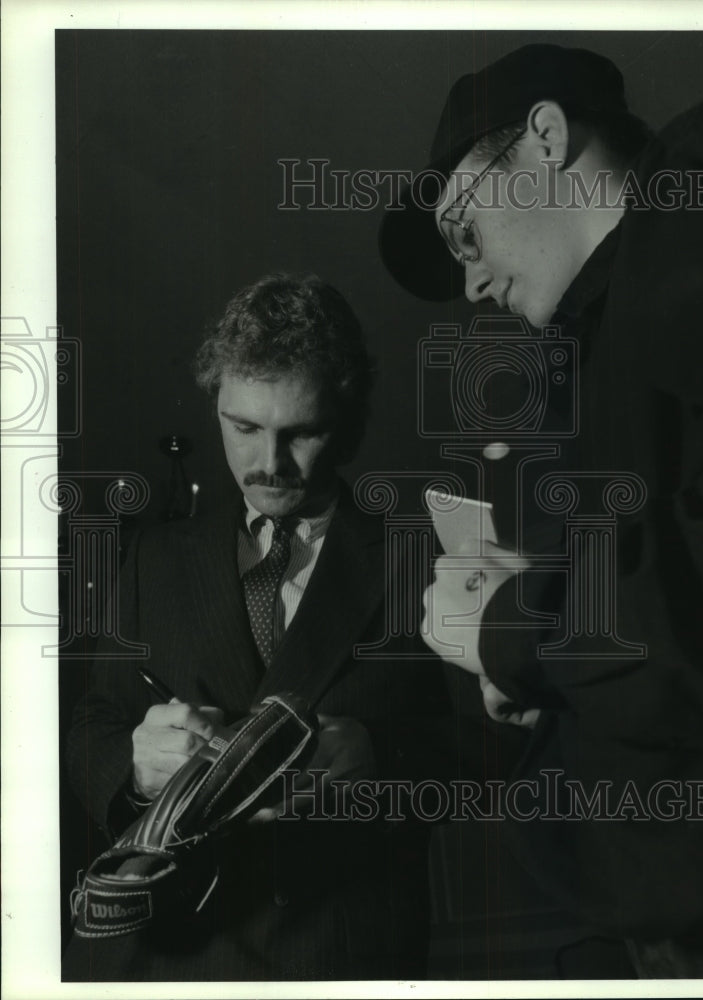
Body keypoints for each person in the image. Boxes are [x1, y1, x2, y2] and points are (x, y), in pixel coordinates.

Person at [380, 43, 703, 978]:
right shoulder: (604, 342)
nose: (471, 282)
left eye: (465, 230)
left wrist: (513, 626)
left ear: (545, 136)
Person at [63, 272, 449, 981]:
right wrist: (137, 769)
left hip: (341, 958)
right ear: (216, 405)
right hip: (164, 955)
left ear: (351, 422)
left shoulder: (422, 554)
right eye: (243, 429)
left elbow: (493, 751)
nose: (267, 465)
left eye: (301, 433)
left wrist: (382, 755)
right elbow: (92, 722)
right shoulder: (153, 554)